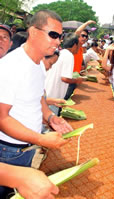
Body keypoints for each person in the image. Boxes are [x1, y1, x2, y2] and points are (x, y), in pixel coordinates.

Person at [0, 10, 74, 197]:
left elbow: (38, 97)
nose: (58, 41)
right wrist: (41, 139)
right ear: (33, 32)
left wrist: (50, 117)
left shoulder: (39, 63)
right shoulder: (11, 66)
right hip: (8, 150)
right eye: (53, 35)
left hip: (27, 146)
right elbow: (2, 118)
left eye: (61, 36)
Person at [45, 33, 84, 114]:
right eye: (79, 45)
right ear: (74, 45)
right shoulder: (69, 55)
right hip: (53, 98)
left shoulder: (61, 52)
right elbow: (65, 78)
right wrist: (77, 80)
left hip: (47, 96)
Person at [64, 20, 96, 99]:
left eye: (86, 36)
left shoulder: (81, 48)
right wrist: (87, 23)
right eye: (82, 35)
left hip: (75, 77)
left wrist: (82, 67)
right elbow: (77, 31)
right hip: (69, 78)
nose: (84, 38)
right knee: (65, 98)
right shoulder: (76, 46)